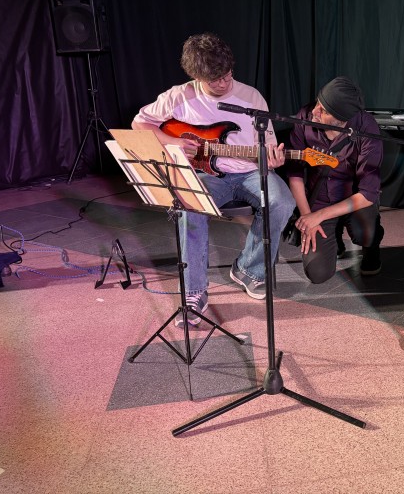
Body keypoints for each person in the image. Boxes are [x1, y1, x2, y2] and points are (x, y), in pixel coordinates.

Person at [132, 33, 295, 325]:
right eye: (215, 80)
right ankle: (195, 290)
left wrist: (273, 157)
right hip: (205, 174)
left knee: (281, 202)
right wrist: (170, 142)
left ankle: (249, 270)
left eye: (227, 75)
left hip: (250, 171)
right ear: (196, 76)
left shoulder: (251, 96)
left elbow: (269, 143)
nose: (223, 83)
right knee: (189, 209)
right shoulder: (179, 95)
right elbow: (139, 122)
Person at [286, 76, 384, 283]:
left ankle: (371, 247)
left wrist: (319, 216)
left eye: (324, 111)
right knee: (318, 274)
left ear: (342, 120)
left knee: (364, 233)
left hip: (354, 200)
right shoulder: (306, 116)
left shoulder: (367, 128)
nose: (315, 112)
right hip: (318, 198)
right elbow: (294, 173)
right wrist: (307, 218)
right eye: (317, 103)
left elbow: (368, 193)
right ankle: (334, 238)